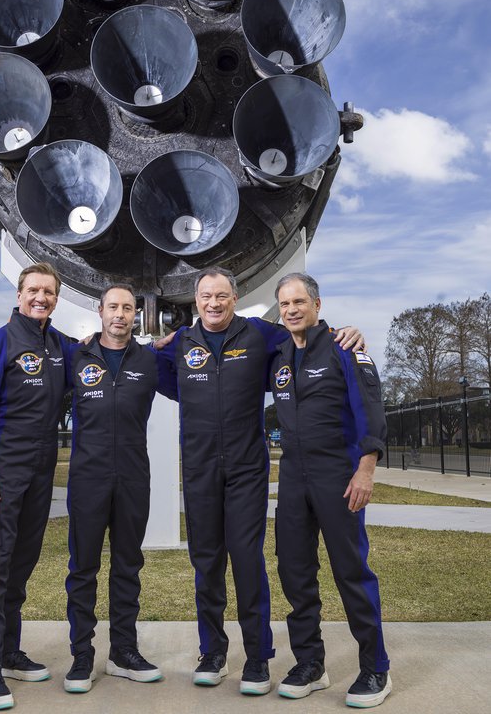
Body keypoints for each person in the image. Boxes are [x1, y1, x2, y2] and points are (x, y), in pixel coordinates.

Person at [154, 267, 362, 696]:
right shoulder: (179, 345)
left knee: (247, 560)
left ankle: (257, 658)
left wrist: (346, 333)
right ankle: (212, 653)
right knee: (206, 563)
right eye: (207, 296)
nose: (214, 303)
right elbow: (139, 363)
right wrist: (89, 342)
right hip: (199, 470)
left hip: (247, 470)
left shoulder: (260, 335)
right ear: (197, 301)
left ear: (235, 298)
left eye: (223, 296)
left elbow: (306, 334)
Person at [271, 272, 391, 708]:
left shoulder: (346, 348)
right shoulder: (280, 354)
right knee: (295, 572)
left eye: (299, 302)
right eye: (284, 304)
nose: (291, 310)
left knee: (350, 572)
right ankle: (310, 664)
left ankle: (375, 668)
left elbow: (370, 409)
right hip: (293, 480)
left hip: (338, 477)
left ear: (317, 305)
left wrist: (366, 469)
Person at [0, 262, 73, 711]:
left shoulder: (59, 345)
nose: (40, 298)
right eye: (33, 290)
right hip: (3, 472)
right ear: (20, 292)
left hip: (42, 472)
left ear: (56, 298)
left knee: (22, 564)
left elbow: (99, 348)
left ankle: (9, 650)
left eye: (48, 292)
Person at [63, 284, 177, 693]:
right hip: (87, 479)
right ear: (100, 310)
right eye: (113, 307)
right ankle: (81, 656)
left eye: (128, 308)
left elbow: (203, 375)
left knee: (128, 566)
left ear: (136, 314)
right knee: (83, 569)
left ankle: (123, 652)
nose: (120, 314)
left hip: (132, 478)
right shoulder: (76, 356)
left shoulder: (149, 359)